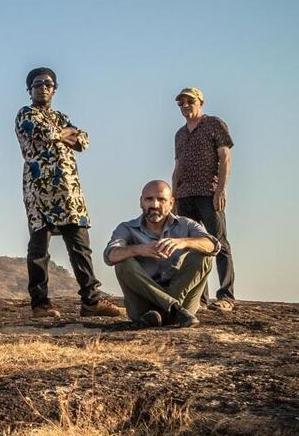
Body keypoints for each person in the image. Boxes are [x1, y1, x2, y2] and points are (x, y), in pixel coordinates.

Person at [15, 67, 124, 319]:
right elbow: (43, 133)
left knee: (80, 246)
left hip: (68, 191)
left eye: (48, 84)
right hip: (39, 191)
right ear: (29, 90)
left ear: (55, 89)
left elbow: (83, 140)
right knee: (39, 248)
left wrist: (62, 135)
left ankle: (91, 300)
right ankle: (40, 304)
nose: (43, 87)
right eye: (37, 84)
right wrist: (64, 135)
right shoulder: (25, 114)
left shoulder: (61, 116)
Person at [104, 180, 219, 328]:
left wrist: (184, 242)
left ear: (171, 203)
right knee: (122, 262)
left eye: (161, 200)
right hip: (146, 309)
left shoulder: (186, 225)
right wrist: (139, 249)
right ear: (141, 202)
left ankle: (167, 311)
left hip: (183, 301)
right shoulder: (127, 228)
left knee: (204, 256)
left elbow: (213, 245)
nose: (154, 205)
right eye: (149, 199)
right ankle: (173, 309)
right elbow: (110, 255)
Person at [171, 87, 236, 311]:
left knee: (218, 243)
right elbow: (177, 166)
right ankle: (200, 298)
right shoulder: (180, 134)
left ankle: (226, 296)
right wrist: (172, 195)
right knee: (192, 246)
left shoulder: (214, 124)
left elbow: (225, 157)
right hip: (184, 195)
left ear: (200, 102)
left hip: (208, 193)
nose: (185, 106)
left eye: (189, 101)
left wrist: (220, 190)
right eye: (181, 103)